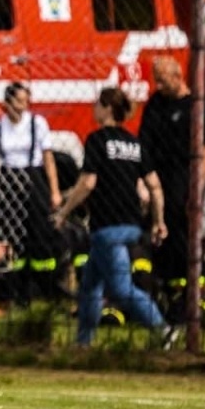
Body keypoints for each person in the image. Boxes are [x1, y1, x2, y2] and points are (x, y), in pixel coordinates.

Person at [51, 87, 175, 348]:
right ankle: (83, 344)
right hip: (130, 223)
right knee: (90, 287)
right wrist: (158, 221)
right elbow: (154, 185)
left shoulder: (97, 139)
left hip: (108, 226)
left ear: (107, 108)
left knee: (121, 289)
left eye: (97, 103)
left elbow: (88, 183)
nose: (93, 108)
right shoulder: (134, 143)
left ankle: (163, 329)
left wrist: (63, 211)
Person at [138, 55, 205, 320]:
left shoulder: (196, 105)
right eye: (155, 80)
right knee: (160, 238)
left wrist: (198, 183)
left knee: (184, 235)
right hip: (159, 178)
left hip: (184, 177)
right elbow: (144, 143)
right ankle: (167, 296)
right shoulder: (155, 105)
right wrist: (144, 180)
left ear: (177, 76)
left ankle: (192, 299)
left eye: (162, 80)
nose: (158, 85)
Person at [0, 82, 62, 300]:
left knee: (39, 233)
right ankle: (17, 290)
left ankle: (44, 289)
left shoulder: (36, 123)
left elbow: (48, 158)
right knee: (13, 237)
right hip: (9, 180)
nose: (23, 106)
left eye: (25, 101)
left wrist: (54, 190)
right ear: (8, 102)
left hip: (33, 177)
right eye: (19, 101)